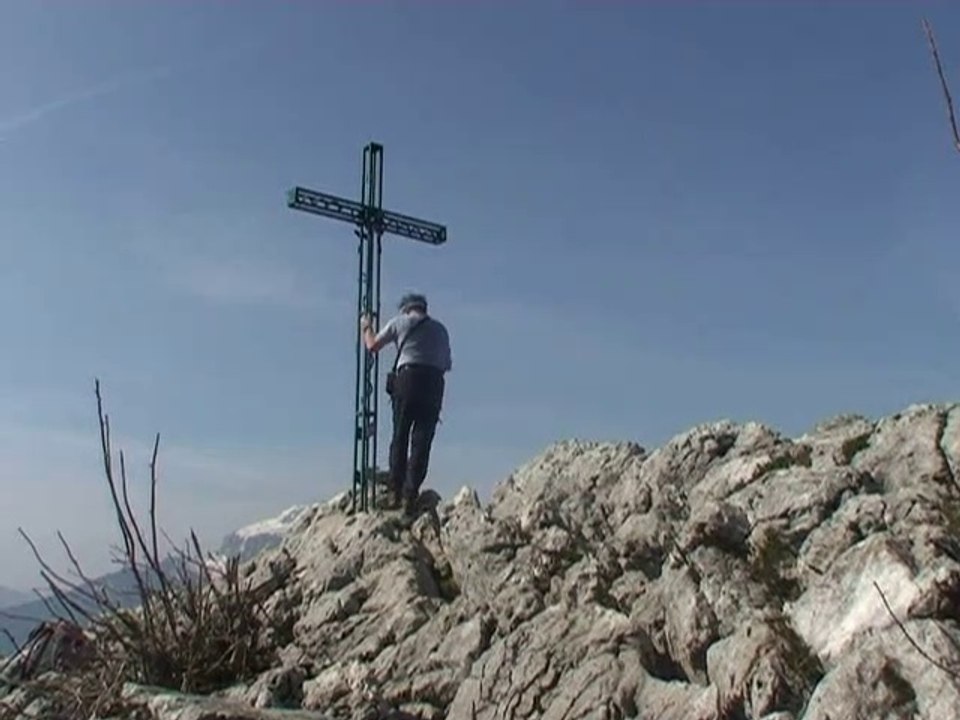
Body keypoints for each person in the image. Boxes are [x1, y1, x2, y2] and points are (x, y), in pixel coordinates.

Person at [360, 292, 452, 516]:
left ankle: (395, 491)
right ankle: (410, 496)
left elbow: (372, 345)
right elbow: (447, 364)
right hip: (434, 385)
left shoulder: (400, 322)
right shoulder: (440, 330)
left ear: (406, 309)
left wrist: (365, 326)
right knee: (422, 442)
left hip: (407, 380)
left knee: (400, 435)